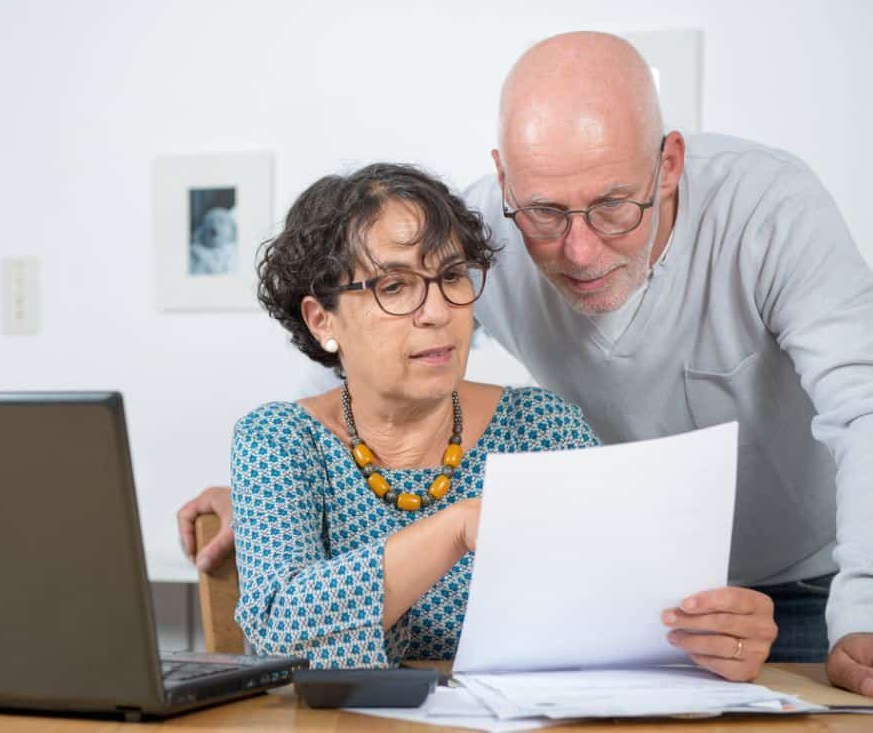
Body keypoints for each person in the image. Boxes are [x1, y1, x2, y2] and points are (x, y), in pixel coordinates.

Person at [179, 32, 873, 695]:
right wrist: (275, 490)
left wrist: (853, 610)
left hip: (806, 573)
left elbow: (862, 408)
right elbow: (358, 363)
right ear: (508, 184)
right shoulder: (483, 230)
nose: (579, 251)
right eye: (544, 212)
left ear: (667, 169)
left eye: (612, 206)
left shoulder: (545, 424)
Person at [220, 163, 776, 674]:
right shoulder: (279, 440)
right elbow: (278, 635)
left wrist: (712, 636)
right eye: (394, 286)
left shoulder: (540, 428)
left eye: (452, 276)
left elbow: (623, 607)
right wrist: (454, 529)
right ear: (322, 320)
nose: (437, 312)